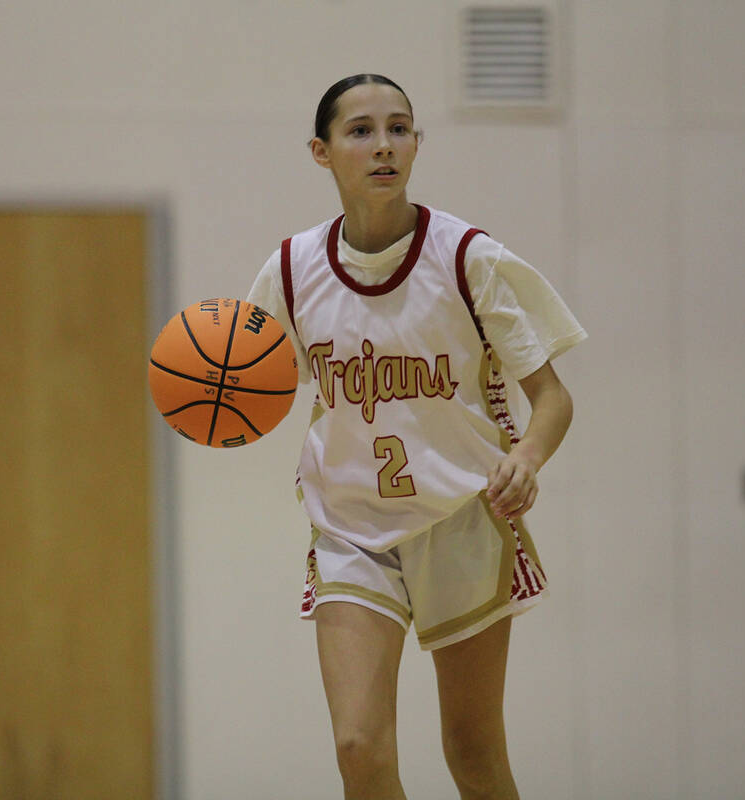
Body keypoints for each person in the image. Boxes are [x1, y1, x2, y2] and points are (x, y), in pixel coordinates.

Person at [246, 74, 586, 799]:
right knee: (358, 749)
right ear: (321, 151)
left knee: (473, 753)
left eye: (399, 129)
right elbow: (247, 387)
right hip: (350, 527)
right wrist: (208, 395)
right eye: (361, 131)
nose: (384, 146)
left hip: (462, 516)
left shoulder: (466, 257)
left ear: (416, 144)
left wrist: (526, 458)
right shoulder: (292, 270)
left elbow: (552, 399)